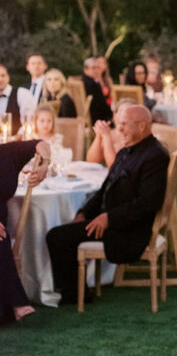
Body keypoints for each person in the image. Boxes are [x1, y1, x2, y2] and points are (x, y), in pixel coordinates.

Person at [46, 105, 168, 305]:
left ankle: (76, 295)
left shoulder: (155, 155)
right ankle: (76, 291)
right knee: (64, 231)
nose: (118, 130)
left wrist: (109, 218)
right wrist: (84, 212)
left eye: (123, 125)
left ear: (141, 126)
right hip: (112, 221)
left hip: (128, 231)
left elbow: (148, 203)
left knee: (57, 237)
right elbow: (104, 189)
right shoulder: (126, 151)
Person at [0, 138, 50, 324]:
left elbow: (40, 143)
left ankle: (13, 305)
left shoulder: (7, 152)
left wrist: (44, 164)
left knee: (1, 235)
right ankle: (17, 302)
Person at [86, 99, 134, 166]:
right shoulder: (109, 133)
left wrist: (106, 137)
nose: (124, 116)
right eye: (121, 111)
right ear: (114, 115)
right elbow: (91, 162)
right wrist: (99, 136)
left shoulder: (135, 138)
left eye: (129, 113)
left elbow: (116, 167)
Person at [0, 64, 35, 134]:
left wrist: (17, 137)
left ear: (8, 77)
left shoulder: (22, 94)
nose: (0, 79)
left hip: (16, 143)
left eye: (3, 75)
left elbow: (29, 120)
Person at [81, 57, 112, 124]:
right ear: (85, 70)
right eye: (93, 68)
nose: (96, 70)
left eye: (97, 68)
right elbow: (103, 107)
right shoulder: (93, 84)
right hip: (97, 120)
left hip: (88, 117)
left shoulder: (83, 81)